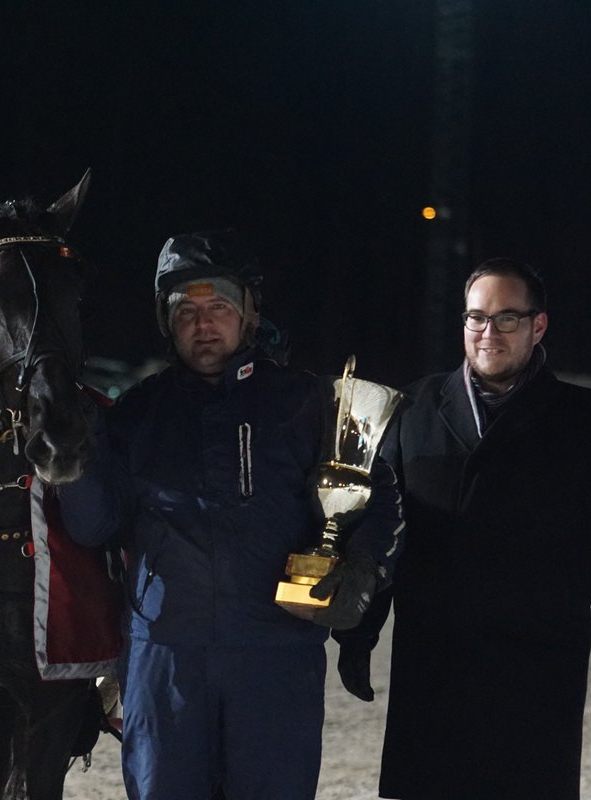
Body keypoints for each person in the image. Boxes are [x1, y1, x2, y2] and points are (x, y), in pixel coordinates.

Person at [58, 230, 405, 800]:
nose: (203, 323)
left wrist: (364, 567)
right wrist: (76, 457)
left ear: (248, 314)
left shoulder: (307, 404)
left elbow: (379, 498)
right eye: (186, 311)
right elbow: (93, 527)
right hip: (165, 657)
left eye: (218, 306)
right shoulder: (136, 414)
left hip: (276, 654)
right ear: (166, 323)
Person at [335, 257, 591, 799]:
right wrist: (360, 631)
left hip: (537, 670)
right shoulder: (411, 411)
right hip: (433, 665)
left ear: (538, 325)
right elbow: (388, 529)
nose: (488, 333)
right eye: (476, 317)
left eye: (507, 318)